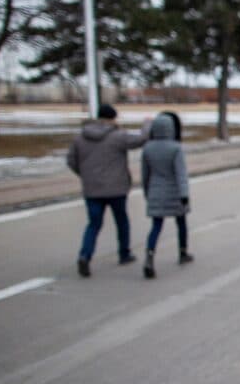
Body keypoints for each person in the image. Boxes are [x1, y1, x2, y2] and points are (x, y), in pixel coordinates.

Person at [66, 103, 148, 277]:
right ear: (113, 118)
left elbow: (71, 161)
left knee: (94, 224)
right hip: (116, 188)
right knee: (121, 221)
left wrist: (85, 174)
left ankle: (85, 255)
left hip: (92, 189)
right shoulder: (118, 136)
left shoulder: (81, 137)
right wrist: (147, 125)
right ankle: (124, 253)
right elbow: (141, 140)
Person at [140, 112, 193, 279]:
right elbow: (181, 174)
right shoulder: (175, 148)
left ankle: (149, 255)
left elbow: (145, 175)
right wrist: (184, 194)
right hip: (175, 192)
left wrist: (147, 192)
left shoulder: (148, 148)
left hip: (155, 190)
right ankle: (183, 251)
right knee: (181, 223)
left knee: (156, 226)